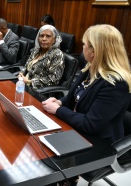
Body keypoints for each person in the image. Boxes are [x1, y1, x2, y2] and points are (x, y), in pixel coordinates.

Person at [42, 24, 131, 186]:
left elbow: (91, 125)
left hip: (99, 143)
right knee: (38, 144)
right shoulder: (91, 68)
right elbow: (73, 96)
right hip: (77, 129)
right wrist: (60, 101)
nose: (82, 48)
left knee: (47, 163)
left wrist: (59, 110)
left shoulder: (116, 83)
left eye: (85, 45)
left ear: (94, 51)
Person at [19, 25, 64, 89]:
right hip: (24, 84)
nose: (44, 39)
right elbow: (26, 66)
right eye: (41, 36)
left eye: (48, 36)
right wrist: (21, 73)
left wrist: (30, 82)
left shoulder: (57, 54)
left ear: (54, 40)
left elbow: (53, 79)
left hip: (39, 91)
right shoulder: (36, 50)